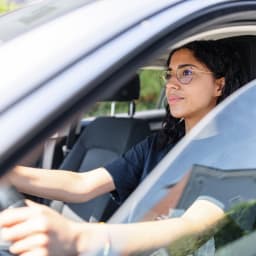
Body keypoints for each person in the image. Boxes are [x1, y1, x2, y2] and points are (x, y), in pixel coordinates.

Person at [0, 40, 247, 256]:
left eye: (187, 73)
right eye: (169, 75)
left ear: (219, 86)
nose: (171, 84)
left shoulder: (237, 155)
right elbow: (83, 185)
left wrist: (78, 237)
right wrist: (8, 172)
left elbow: (193, 226)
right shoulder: (156, 146)